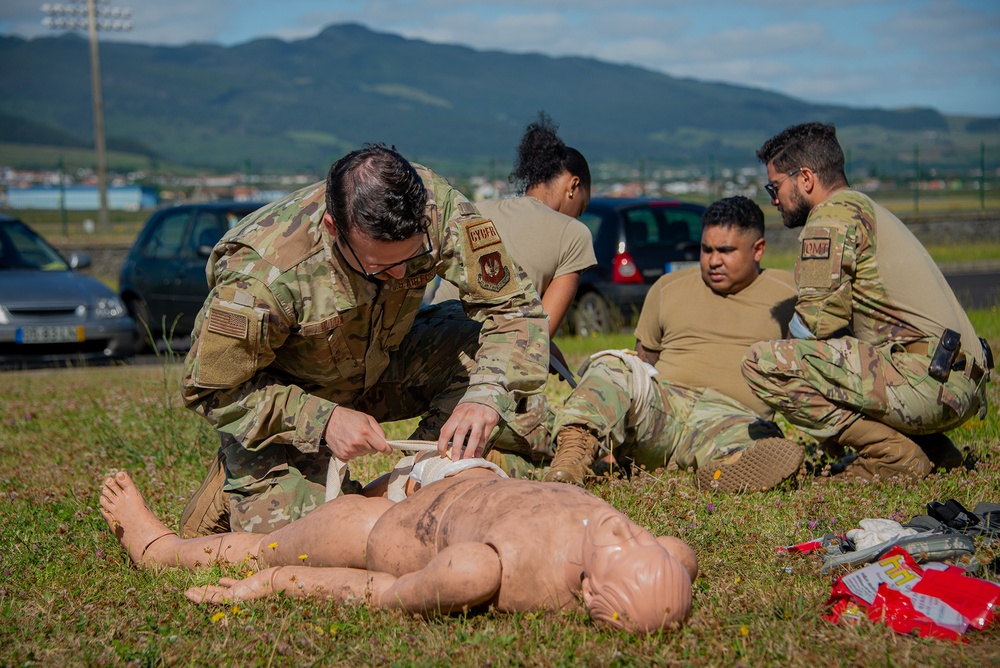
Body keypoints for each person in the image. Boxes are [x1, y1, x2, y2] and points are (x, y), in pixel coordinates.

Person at [179, 144, 549, 536]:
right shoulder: (262, 274)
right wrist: (323, 420)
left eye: (413, 256)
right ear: (332, 229)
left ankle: (419, 479)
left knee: (486, 360)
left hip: (378, 366)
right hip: (290, 402)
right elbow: (208, 390)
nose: (402, 272)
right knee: (318, 543)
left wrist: (485, 396)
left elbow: (515, 311)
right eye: (380, 266)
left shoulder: (434, 207)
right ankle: (237, 483)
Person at [99, 465, 698, 635]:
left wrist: (276, 585)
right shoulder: (656, 553)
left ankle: (159, 547)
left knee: (268, 548)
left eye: (620, 547)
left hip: (384, 529)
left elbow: (378, 593)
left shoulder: (481, 570)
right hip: (459, 475)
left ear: (589, 590)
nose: (625, 529)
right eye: (640, 537)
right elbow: (676, 556)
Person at [742, 122, 992, 483]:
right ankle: (936, 451)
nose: (773, 198)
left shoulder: (830, 217)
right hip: (956, 382)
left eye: (775, 185)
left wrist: (818, 416)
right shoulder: (868, 209)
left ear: (806, 178)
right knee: (839, 360)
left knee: (763, 362)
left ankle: (892, 455)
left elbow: (815, 326)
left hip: (928, 383)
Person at [542, 196, 804, 492]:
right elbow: (644, 362)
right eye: (706, 249)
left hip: (734, 418)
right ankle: (572, 456)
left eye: (726, 251)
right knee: (615, 365)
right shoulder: (668, 287)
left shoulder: (789, 295)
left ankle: (725, 470)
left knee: (757, 443)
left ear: (758, 250)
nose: (713, 260)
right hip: (664, 410)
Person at [428, 114, 597, 467]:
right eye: (582, 205)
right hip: (485, 370)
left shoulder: (476, 211)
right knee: (561, 435)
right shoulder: (573, 234)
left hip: (428, 356)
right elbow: (537, 333)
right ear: (573, 185)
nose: (578, 215)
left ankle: (456, 449)